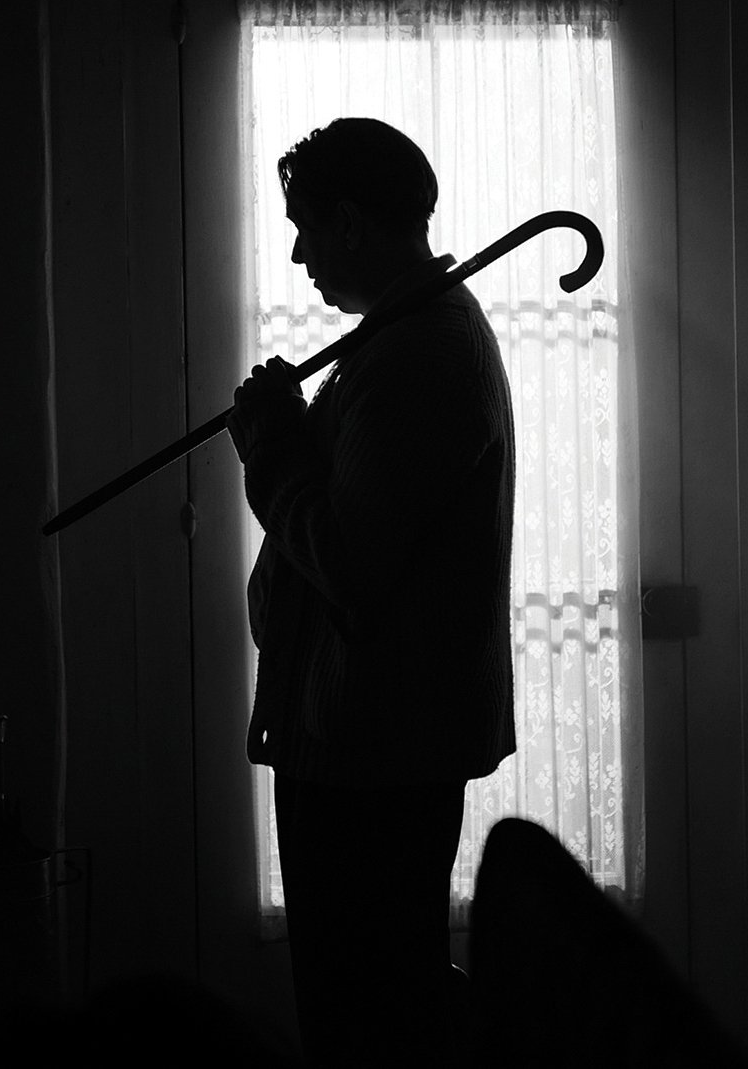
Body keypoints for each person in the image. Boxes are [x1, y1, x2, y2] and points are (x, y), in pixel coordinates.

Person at [227, 117, 517, 1067]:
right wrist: (301, 434)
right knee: (370, 995)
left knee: (369, 1013)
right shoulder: (394, 341)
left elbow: (350, 564)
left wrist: (273, 449)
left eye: (305, 226)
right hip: (358, 741)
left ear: (350, 222)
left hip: (375, 750)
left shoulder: (420, 354)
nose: (301, 253)